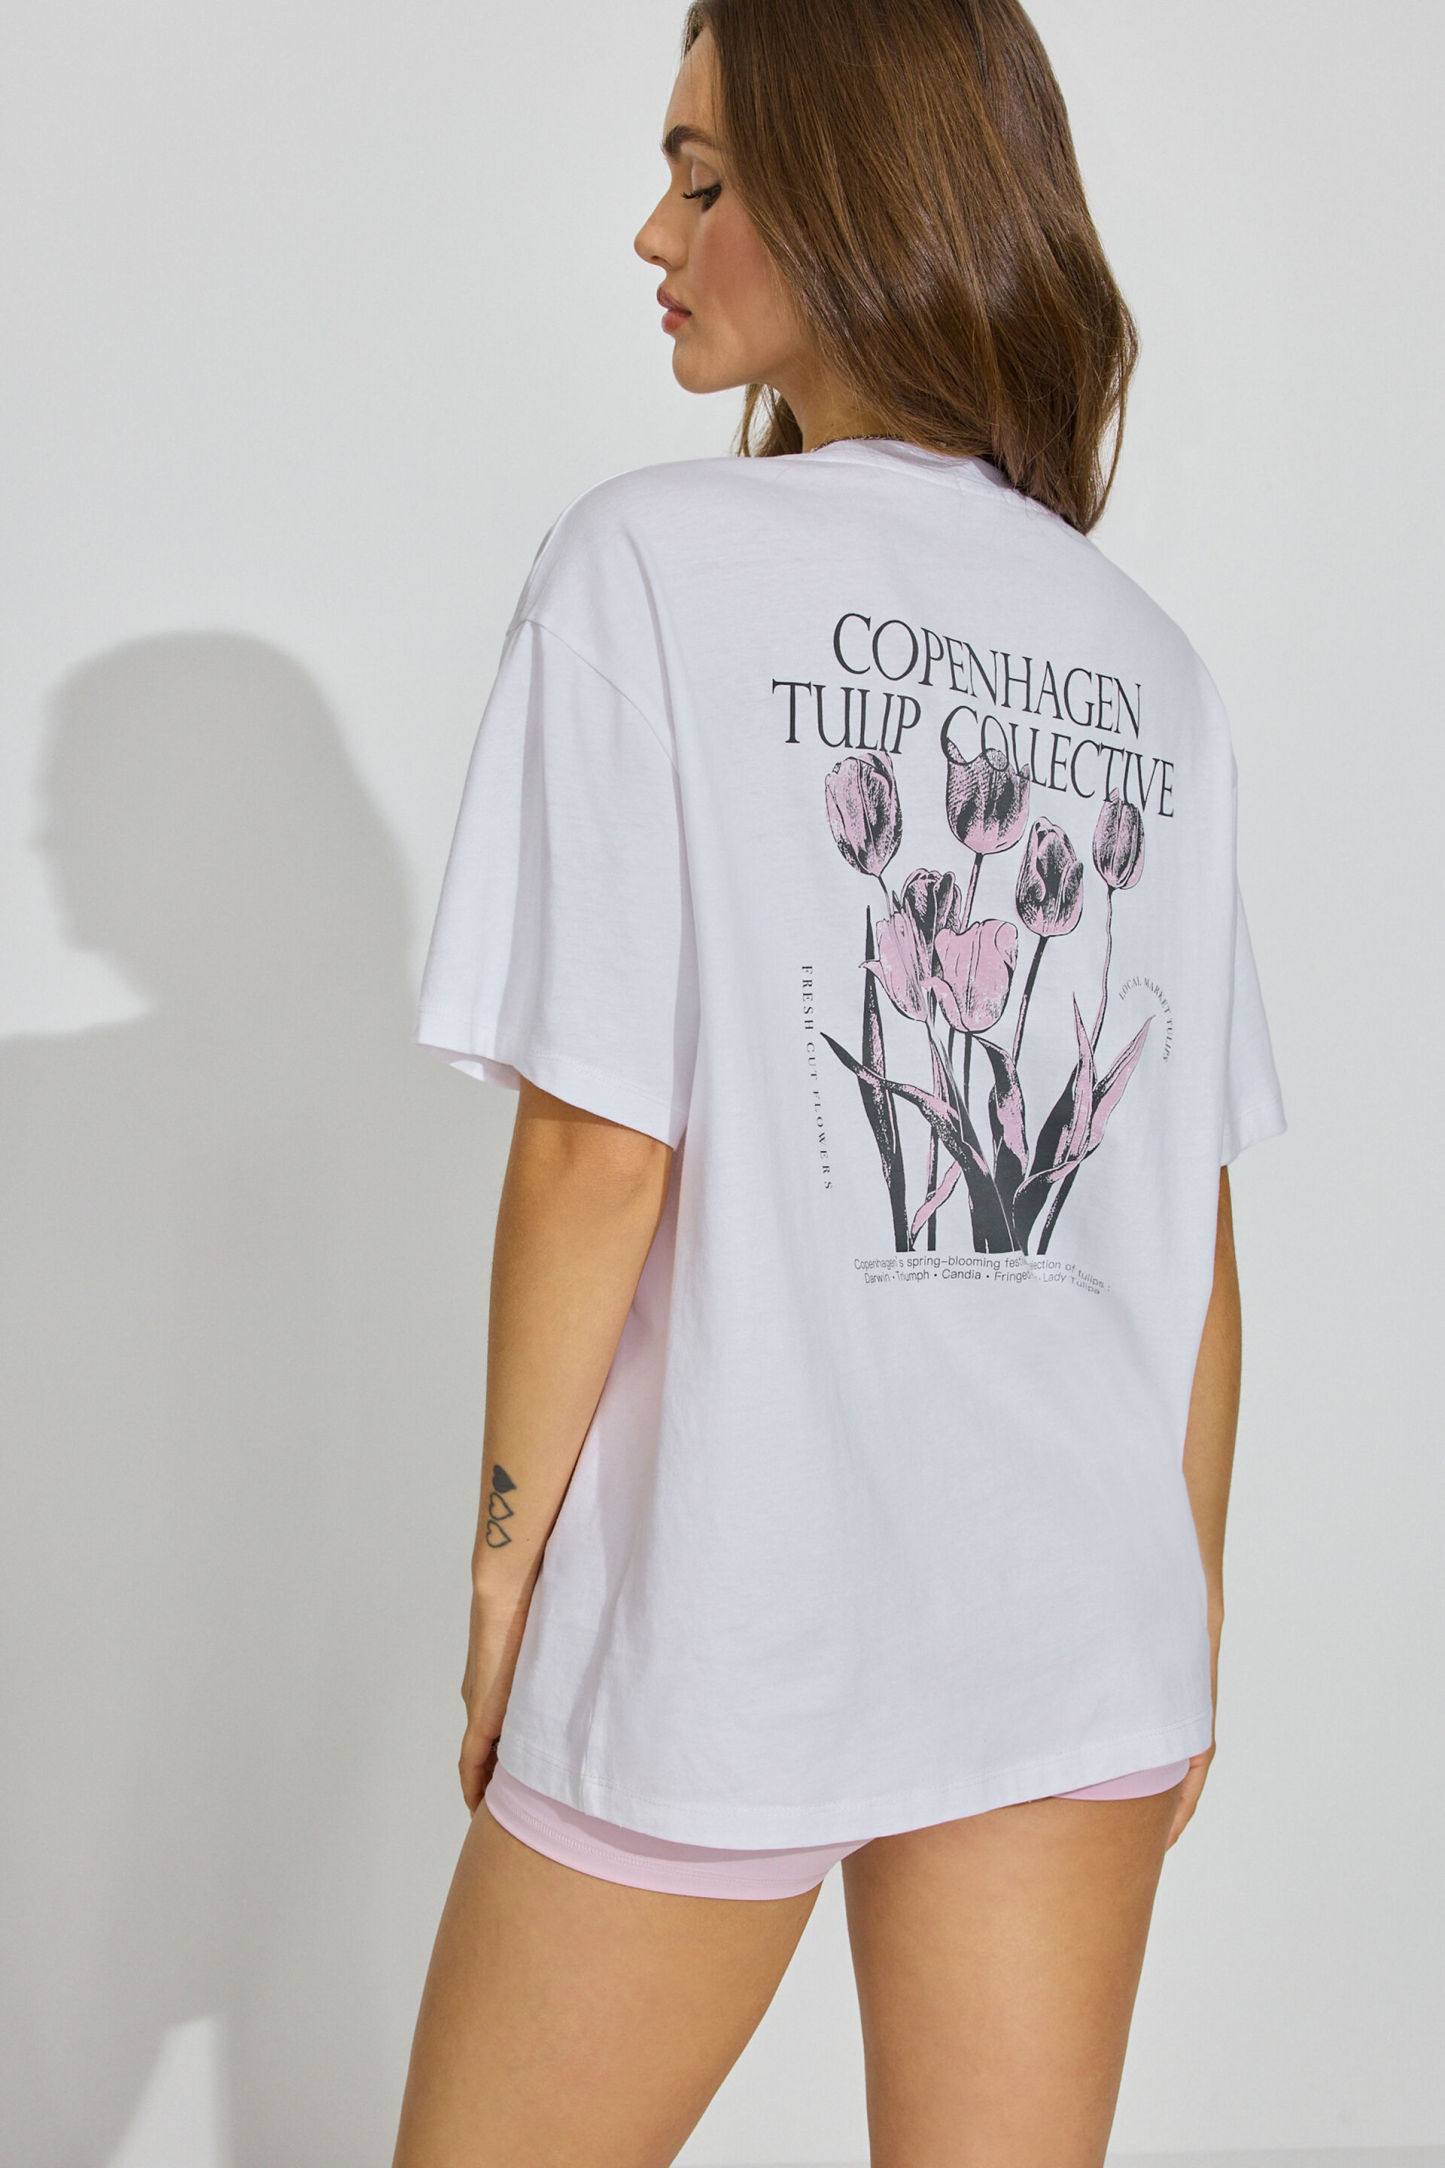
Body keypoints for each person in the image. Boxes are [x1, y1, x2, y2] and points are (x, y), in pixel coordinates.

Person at [391, 2, 1286, 2162]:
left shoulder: (647, 565)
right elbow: (1188, 1229)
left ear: (860, 194)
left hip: (737, 1610)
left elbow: (600, 1146)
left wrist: (507, 1575)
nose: (653, 231)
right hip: (1078, 1626)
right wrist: (1184, 1610)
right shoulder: (1144, 660)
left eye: (702, 179)